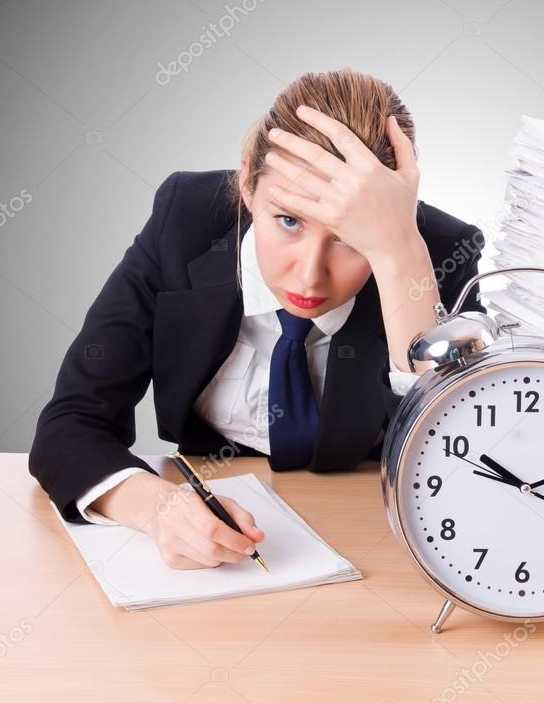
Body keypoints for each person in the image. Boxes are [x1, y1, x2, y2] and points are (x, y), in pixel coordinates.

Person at [29, 68, 486, 569]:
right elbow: (71, 425)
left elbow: (472, 457)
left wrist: (399, 251)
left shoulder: (435, 252)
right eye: (288, 221)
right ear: (248, 183)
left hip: (377, 543)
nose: (310, 277)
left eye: (349, 239)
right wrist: (161, 509)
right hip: (223, 537)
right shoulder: (185, 220)